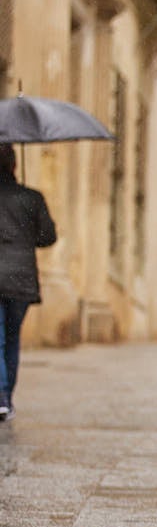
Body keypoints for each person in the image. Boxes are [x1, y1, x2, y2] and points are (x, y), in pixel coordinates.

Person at [0, 144, 57, 421]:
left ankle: (0, 397)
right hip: (20, 280)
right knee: (11, 340)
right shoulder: (32, 198)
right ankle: (5, 398)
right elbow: (48, 237)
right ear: (14, 165)